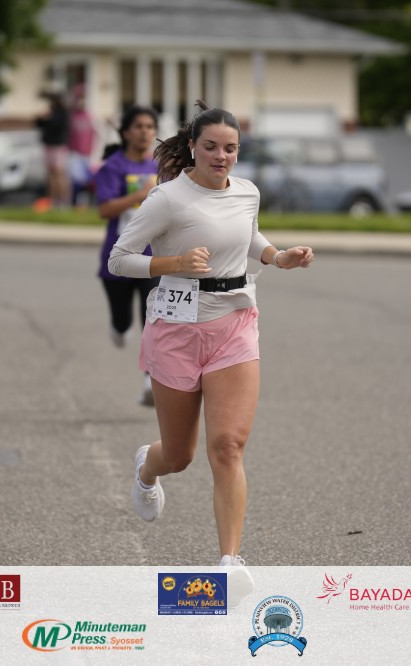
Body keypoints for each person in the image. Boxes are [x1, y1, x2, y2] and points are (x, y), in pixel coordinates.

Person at [108, 101, 314, 603]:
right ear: (193, 147)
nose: (221, 156)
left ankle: (229, 562)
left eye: (230, 149)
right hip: (176, 330)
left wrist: (276, 256)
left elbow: (247, 236)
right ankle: (147, 467)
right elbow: (119, 258)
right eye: (211, 147)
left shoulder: (247, 192)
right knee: (179, 455)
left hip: (234, 323)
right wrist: (174, 262)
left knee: (228, 446)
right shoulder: (167, 199)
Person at [94, 105, 160, 406]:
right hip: (119, 256)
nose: (144, 132)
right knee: (123, 322)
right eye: (138, 126)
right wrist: (139, 195)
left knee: (153, 319)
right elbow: (104, 209)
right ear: (125, 132)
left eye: (149, 126)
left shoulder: (161, 166)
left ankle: (149, 379)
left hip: (153, 257)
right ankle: (118, 327)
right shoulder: (113, 167)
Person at [36, 91, 71, 209]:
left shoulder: (62, 113)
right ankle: (52, 200)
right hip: (49, 144)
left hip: (58, 146)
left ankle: (63, 201)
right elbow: (39, 124)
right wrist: (43, 118)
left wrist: (49, 118)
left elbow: (58, 126)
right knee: (51, 174)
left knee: (59, 173)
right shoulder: (51, 112)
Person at [68, 84, 95, 206]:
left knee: (85, 180)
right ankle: (74, 203)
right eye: (79, 97)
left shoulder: (89, 117)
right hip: (74, 153)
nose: (81, 101)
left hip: (86, 154)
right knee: (76, 180)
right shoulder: (72, 116)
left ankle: (82, 203)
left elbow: (93, 136)